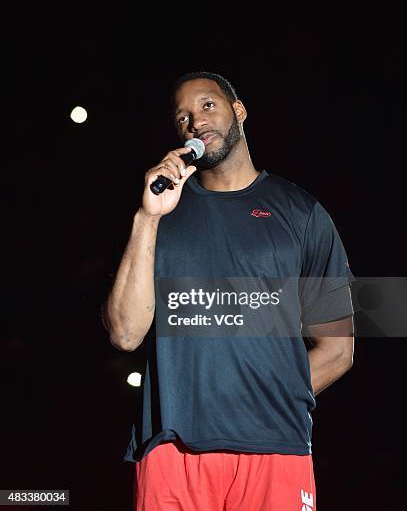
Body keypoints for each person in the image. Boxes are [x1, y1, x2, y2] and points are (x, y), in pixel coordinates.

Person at [102, 71, 355, 510]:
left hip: (275, 447)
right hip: (171, 452)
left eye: (207, 105)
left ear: (238, 112)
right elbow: (125, 333)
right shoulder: (158, 215)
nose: (195, 122)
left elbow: (338, 349)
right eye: (182, 117)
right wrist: (147, 218)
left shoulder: (303, 214)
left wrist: (261, 400)